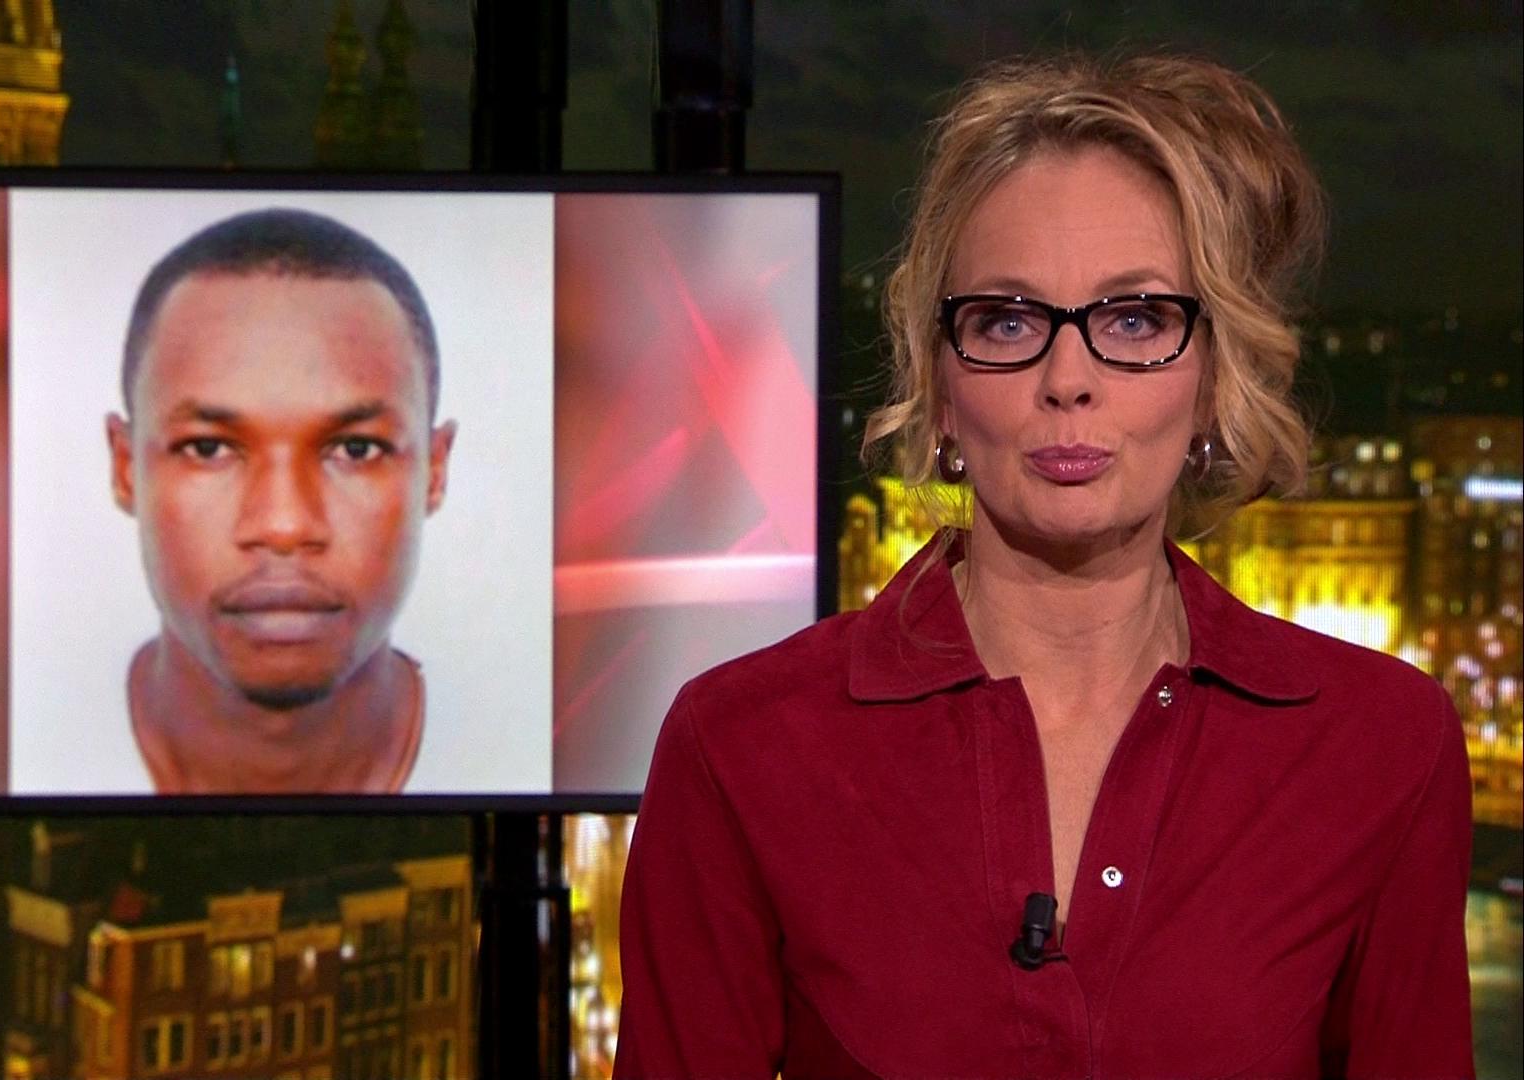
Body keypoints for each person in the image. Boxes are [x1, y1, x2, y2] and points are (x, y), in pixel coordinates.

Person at [615, 54, 1473, 1078]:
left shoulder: (1382, 747)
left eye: (1135, 320)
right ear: (939, 386)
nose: (1069, 379)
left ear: (1214, 377)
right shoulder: (739, 747)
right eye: (1008, 321)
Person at [105, 208, 457, 794]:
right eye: (208, 448)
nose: (284, 524)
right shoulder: (11, 758)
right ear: (124, 468)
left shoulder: (539, 755)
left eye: (356, 448)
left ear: (434, 471)